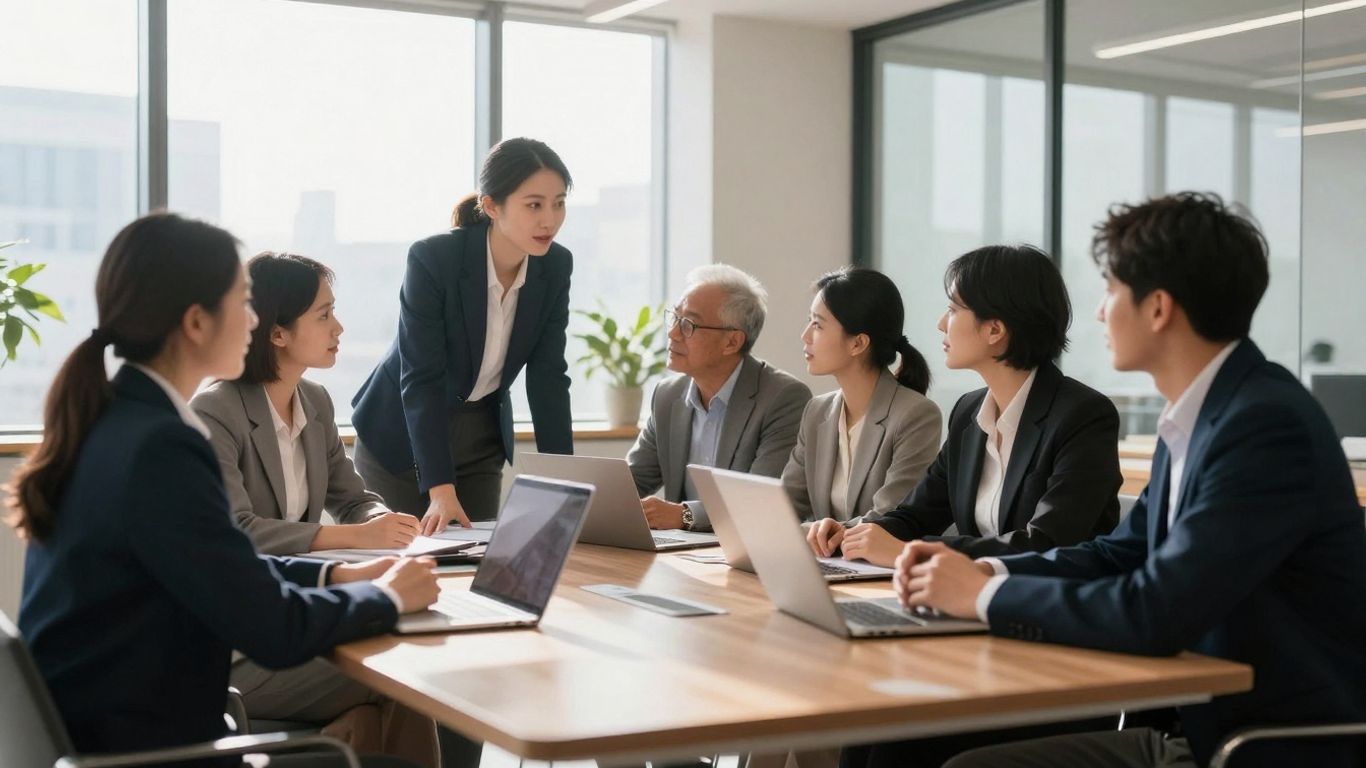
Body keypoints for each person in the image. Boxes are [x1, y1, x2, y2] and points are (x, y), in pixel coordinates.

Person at [896, 193, 1366, 768]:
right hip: (1198, 725)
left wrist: (982, 596)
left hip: (1266, 746)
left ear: (1159, 308)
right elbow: (1121, 553)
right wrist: (986, 569)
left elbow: (1153, 611)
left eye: (1111, 291)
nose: (1099, 313)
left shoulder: (1264, 426)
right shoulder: (1203, 414)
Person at [7, 212, 439, 767]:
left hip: (118, 734)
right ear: (196, 322)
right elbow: (273, 628)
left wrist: (341, 574)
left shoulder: (114, 419)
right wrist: (388, 597)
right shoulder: (162, 447)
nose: (255, 320)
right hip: (155, 753)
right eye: (243, 302)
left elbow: (224, 563)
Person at [192, 251, 438, 761]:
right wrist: (352, 539)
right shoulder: (216, 411)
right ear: (277, 332)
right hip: (245, 643)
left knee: (371, 712)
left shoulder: (316, 401)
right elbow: (238, 531)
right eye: (323, 315)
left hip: (302, 612)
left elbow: (351, 497)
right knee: (403, 677)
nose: (339, 327)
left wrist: (380, 522)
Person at [810, 245, 1121, 567]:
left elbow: (1046, 543)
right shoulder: (968, 413)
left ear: (995, 330)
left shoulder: (1082, 416)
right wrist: (852, 534)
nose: (942, 323)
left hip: (1045, 607)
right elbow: (917, 516)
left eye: (954, 310)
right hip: (971, 601)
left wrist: (910, 552)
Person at [352, 137, 575, 536]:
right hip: (402, 435)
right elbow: (421, 377)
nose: (550, 219)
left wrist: (567, 486)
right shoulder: (434, 259)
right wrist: (440, 487)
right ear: (492, 206)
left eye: (559, 202)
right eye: (534, 204)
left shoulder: (555, 266)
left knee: (477, 564)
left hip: (481, 436)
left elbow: (548, 378)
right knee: (402, 567)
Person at [626, 264, 812, 532]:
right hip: (682, 553)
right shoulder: (668, 395)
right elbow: (633, 480)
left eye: (688, 324)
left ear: (732, 342)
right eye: (674, 318)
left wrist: (685, 515)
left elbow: (762, 499)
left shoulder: (783, 398)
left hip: (745, 553)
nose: (673, 333)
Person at [782, 267, 942, 528]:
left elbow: (889, 517)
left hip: (881, 566)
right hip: (829, 563)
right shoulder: (817, 411)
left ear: (858, 343)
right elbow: (786, 503)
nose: (805, 336)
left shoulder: (916, 415)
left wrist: (818, 534)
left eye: (817, 325)